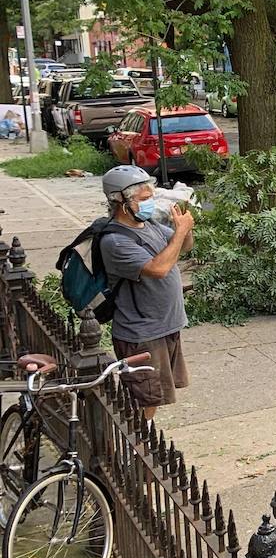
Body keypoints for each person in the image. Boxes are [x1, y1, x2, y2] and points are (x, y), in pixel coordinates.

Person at [99, 165, 194, 419]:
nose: (150, 203)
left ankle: (142, 442)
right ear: (120, 201)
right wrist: (180, 232)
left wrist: (184, 228)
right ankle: (134, 450)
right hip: (141, 333)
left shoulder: (147, 225)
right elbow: (159, 268)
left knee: (156, 397)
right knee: (143, 400)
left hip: (165, 326)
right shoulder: (116, 241)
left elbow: (182, 247)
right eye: (143, 199)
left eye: (150, 197)